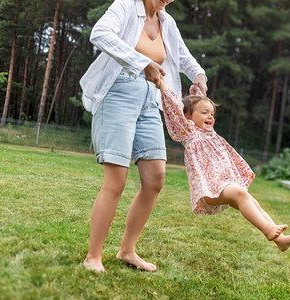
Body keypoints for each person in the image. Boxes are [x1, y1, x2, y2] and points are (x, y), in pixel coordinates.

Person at [79, 0, 207, 273]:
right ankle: (93, 256)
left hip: (152, 98)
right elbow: (100, 34)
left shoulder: (166, 22)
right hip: (118, 93)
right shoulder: (126, 6)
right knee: (116, 180)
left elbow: (182, 56)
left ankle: (127, 250)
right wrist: (142, 61)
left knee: (155, 178)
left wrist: (198, 75)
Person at [158, 78, 290, 250]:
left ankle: (281, 240)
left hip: (223, 185)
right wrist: (162, 84)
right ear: (188, 117)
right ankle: (268, 230)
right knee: (241, 193)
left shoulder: (209, 132)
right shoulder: (188, 132)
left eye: (211, 114)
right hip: (209, 190)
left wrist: (198, 91)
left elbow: (198, 104)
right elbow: (175, 108)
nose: (210, 116)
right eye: (205, 113)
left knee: (251, 201)